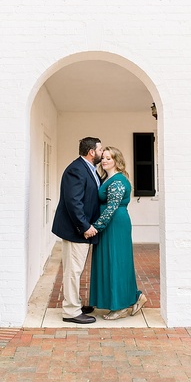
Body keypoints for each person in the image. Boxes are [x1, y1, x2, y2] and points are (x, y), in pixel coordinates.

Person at [88, 146, 147, 320]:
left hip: (115, 225)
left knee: (117, 263)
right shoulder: (108, 178)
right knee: (110, 262)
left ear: (117, 161)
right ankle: (136, 297)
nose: (104, 161)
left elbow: (111, 208)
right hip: (109, 225)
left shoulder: (118, 181)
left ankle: (121, 307)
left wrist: (95, 227)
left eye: (109, 158)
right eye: (103, 158)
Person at [51, 137, 103, 324]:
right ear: (91, 152)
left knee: (77, 269)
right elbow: (74, 202)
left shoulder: (90, 170)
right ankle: (71, 311)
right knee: (73, 271)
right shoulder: (76, 170)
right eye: (100, 149)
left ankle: (76, 304)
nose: (101, 153)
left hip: (81, 229)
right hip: (76, 231)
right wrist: (85, 227)